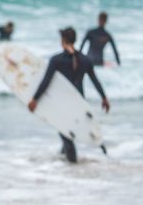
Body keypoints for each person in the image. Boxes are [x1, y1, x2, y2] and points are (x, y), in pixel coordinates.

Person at [29, 27, 110, 163]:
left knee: (66, 134)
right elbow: (95, 80)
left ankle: (73, 167)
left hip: (63, 103)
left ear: (63, 40)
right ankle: (65, 162)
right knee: (68, 133)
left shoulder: (57, 60)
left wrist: (35, 99)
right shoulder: (85, 60)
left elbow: (46, 80)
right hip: (79, 103)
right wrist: (104, 98)